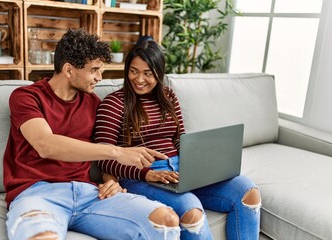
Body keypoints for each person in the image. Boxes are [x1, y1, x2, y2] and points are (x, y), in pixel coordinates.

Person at [3, 29, 182, 240]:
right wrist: (117, 152)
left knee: (166, 221)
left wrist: (111, 181)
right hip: (37, 193)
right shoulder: (26, 97)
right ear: (69, 69)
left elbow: (101, 155)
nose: (100, 77)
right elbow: (46, 145)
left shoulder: (93, 102)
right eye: (94, 70)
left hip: (89, 193)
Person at [94, 39, 262, 240]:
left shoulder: (168, 96)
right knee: (191, 211)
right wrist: (146, 174)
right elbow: (103, 158)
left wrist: (203, 166)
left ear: (159, 73)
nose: (139, 79)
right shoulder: (112, 104)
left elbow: (179, 140)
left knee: (247, 192)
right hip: (140, 176)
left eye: (148, 73)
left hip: (182, 170)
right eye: (133, 71)